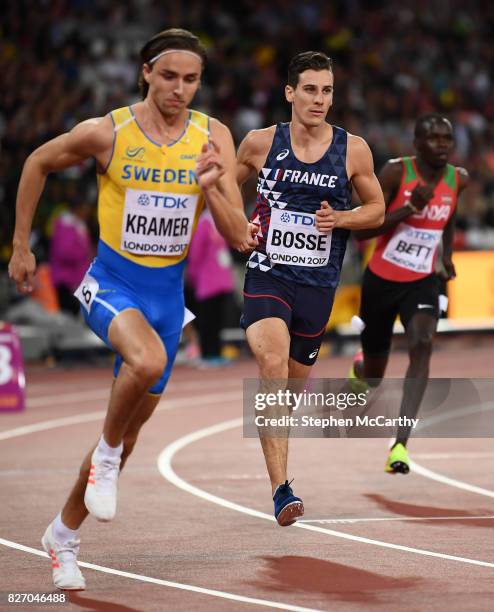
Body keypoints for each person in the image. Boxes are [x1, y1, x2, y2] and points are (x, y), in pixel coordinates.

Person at [8, 28, 256, 590]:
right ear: (146, 72)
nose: (180, 89)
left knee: (125, 432)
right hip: (112, 283)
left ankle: (63, 536)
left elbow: (239, 234)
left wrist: (214, 188)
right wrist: (22, 245)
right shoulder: (109, 132)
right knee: (138, 377)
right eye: (169, 76)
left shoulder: (212, 136)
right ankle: (106, 461)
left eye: (191, 79)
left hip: (168, 300)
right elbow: (36, 163)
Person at [236, 51, 385, 526]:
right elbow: (220, 189)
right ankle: (281, 490)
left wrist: (340, 217)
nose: (320, 99)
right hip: (269, 275)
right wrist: (238, 226)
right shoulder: (260, 144)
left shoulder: (352, 149)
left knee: (285, 393)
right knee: (272, 365)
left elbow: (377, 209)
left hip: (318, 287)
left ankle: (275, 448)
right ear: (290, 93)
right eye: (311, 90)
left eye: (327, 91)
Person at [348, 113, 469, 474]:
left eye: (447, 138)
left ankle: (400, 444)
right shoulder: (395, 173)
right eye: (433, 138)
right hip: (381, 280)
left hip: (422, 280)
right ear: (416, 144)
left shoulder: (457, 179)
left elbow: (446, 220)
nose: (442, 145)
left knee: (422, 343)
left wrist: (445, 256)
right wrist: (410, 208)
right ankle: (361, 368)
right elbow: (364, 231)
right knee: (374, 375)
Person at [187, 208, 236, 366]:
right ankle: (210, 354)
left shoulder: (211, 222)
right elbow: (197, 254)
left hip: (214, 282)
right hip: (214, 281)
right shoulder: (211, 222)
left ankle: (212, 353)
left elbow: (197, 254)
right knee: (211, 320)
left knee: (213, 321)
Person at [49, 197, 93, 316]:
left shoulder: (79, 225)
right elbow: (64, 252)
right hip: (67, 280)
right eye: (85, 209)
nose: (87, 212)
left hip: (79, 278)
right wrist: (84, 253)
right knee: (69, 314)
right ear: (77, 209)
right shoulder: (66, 226)